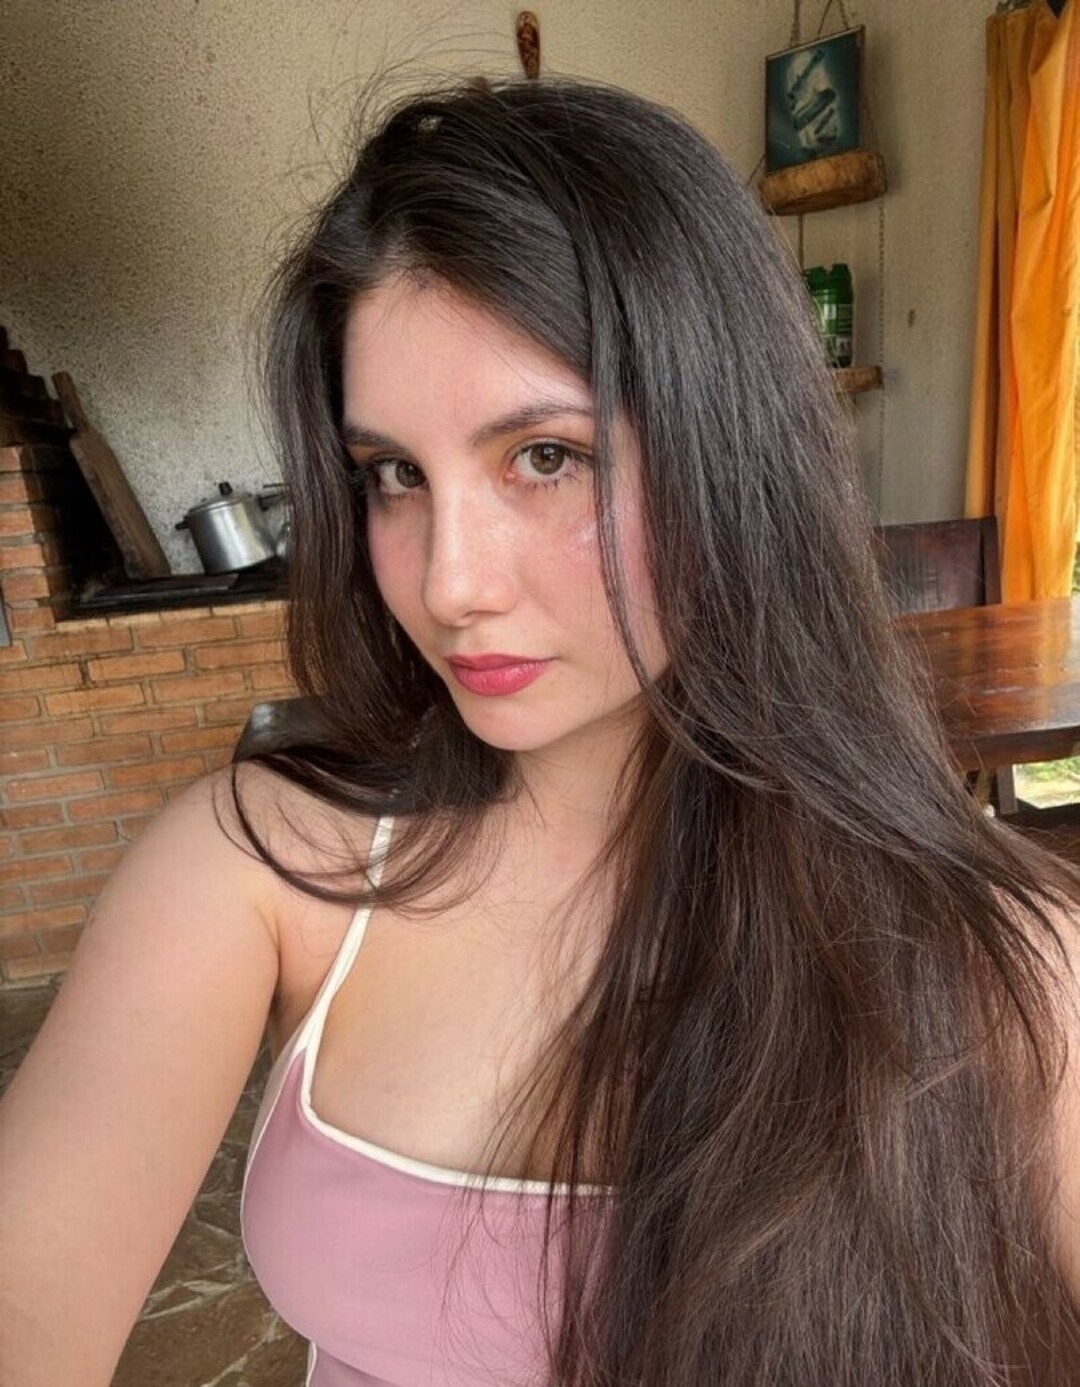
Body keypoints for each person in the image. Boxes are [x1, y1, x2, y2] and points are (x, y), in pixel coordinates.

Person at [3, 72, 1080, 1387]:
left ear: (734, 453)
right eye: (394, 475)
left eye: (546, 456)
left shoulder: (1017, 971)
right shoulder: (258, 865)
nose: (449, 582)